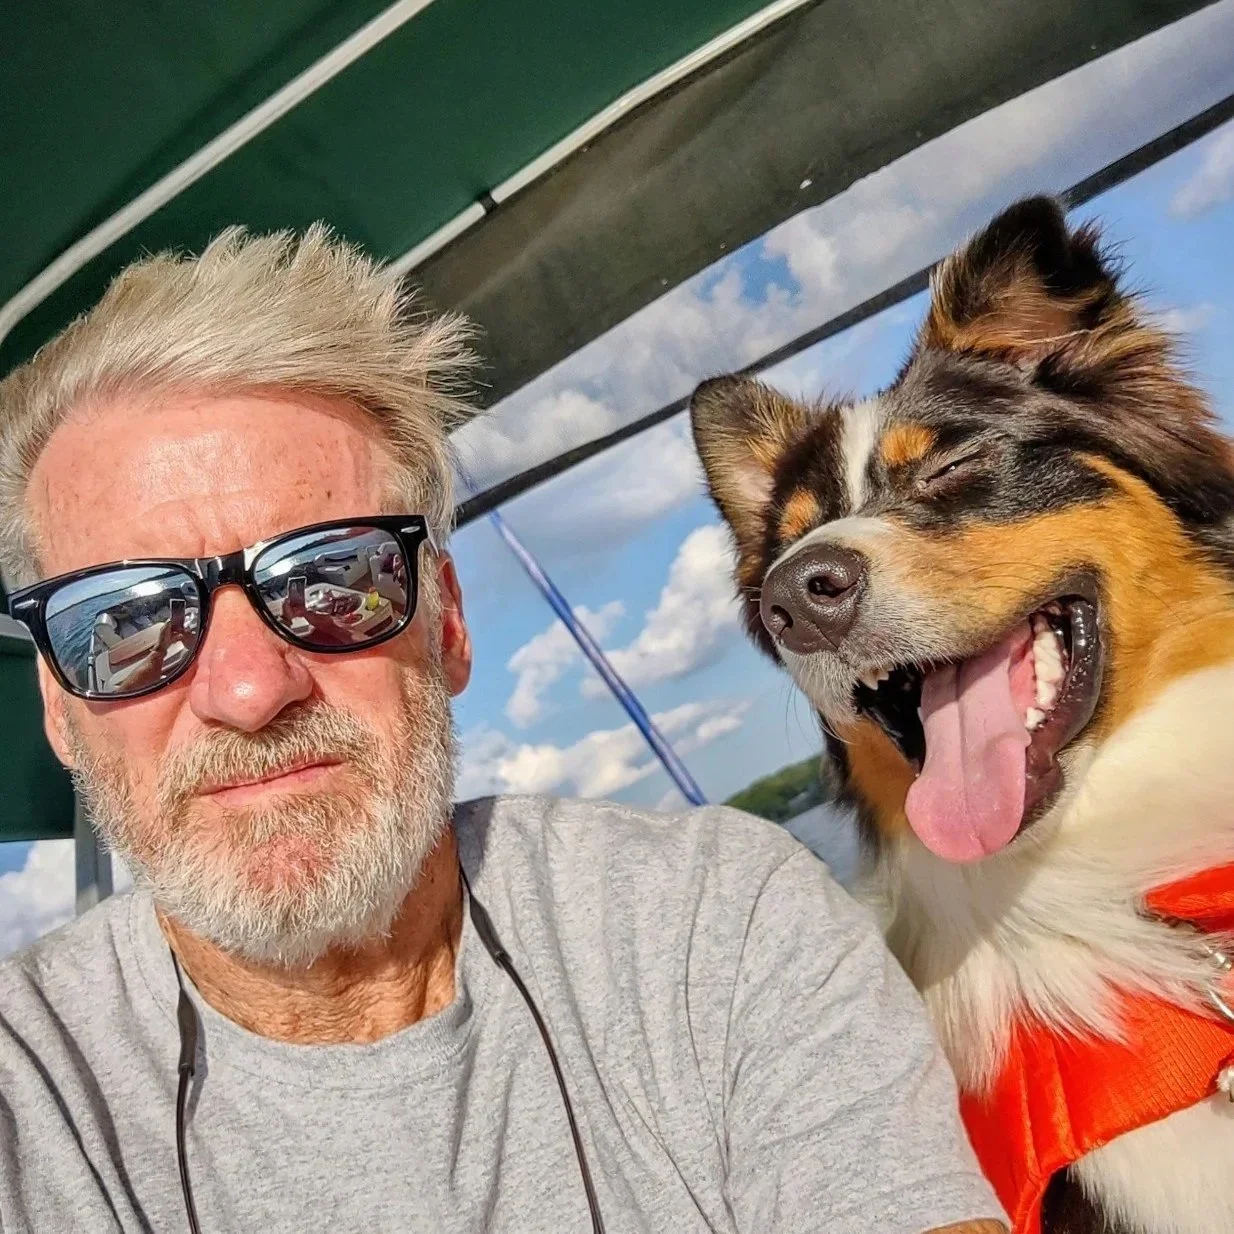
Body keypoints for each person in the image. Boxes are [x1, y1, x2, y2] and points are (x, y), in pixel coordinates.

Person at [0, 226, 1006, 1234]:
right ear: (59, 706)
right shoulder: (32, 1099)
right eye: (128, 621)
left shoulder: (711, 926)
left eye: (330, 578)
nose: (250, 688)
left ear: (446, 622)